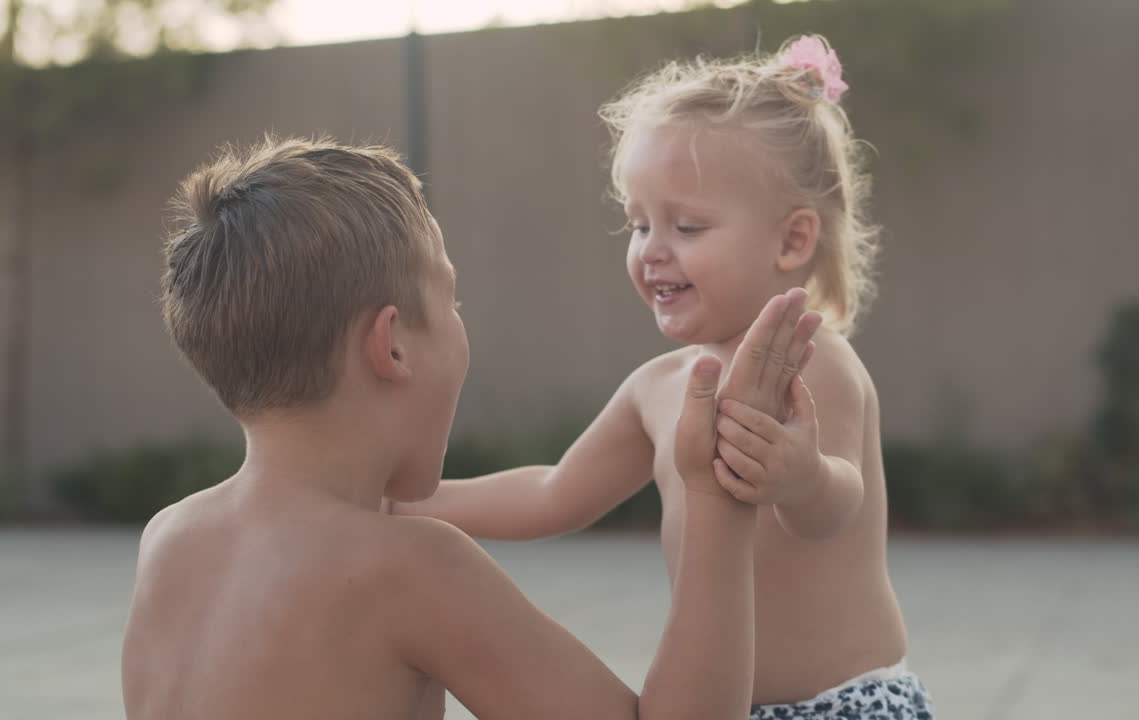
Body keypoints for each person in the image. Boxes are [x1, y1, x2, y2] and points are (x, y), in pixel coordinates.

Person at [120, 134, 798, 720]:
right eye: (453, 299)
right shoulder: (410, 568)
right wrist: (716, 502)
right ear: (392, 346)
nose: (460, 321)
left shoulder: (169, 538)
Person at [394, 36, 934, 719]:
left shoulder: (812, 359)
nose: (652, 251)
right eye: (638, 224)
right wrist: (404, 506)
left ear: (792, 240)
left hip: (846, 703)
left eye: (686, 226)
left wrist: (803, 479)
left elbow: (836, 510)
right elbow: (554, 493)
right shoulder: (655, 387)